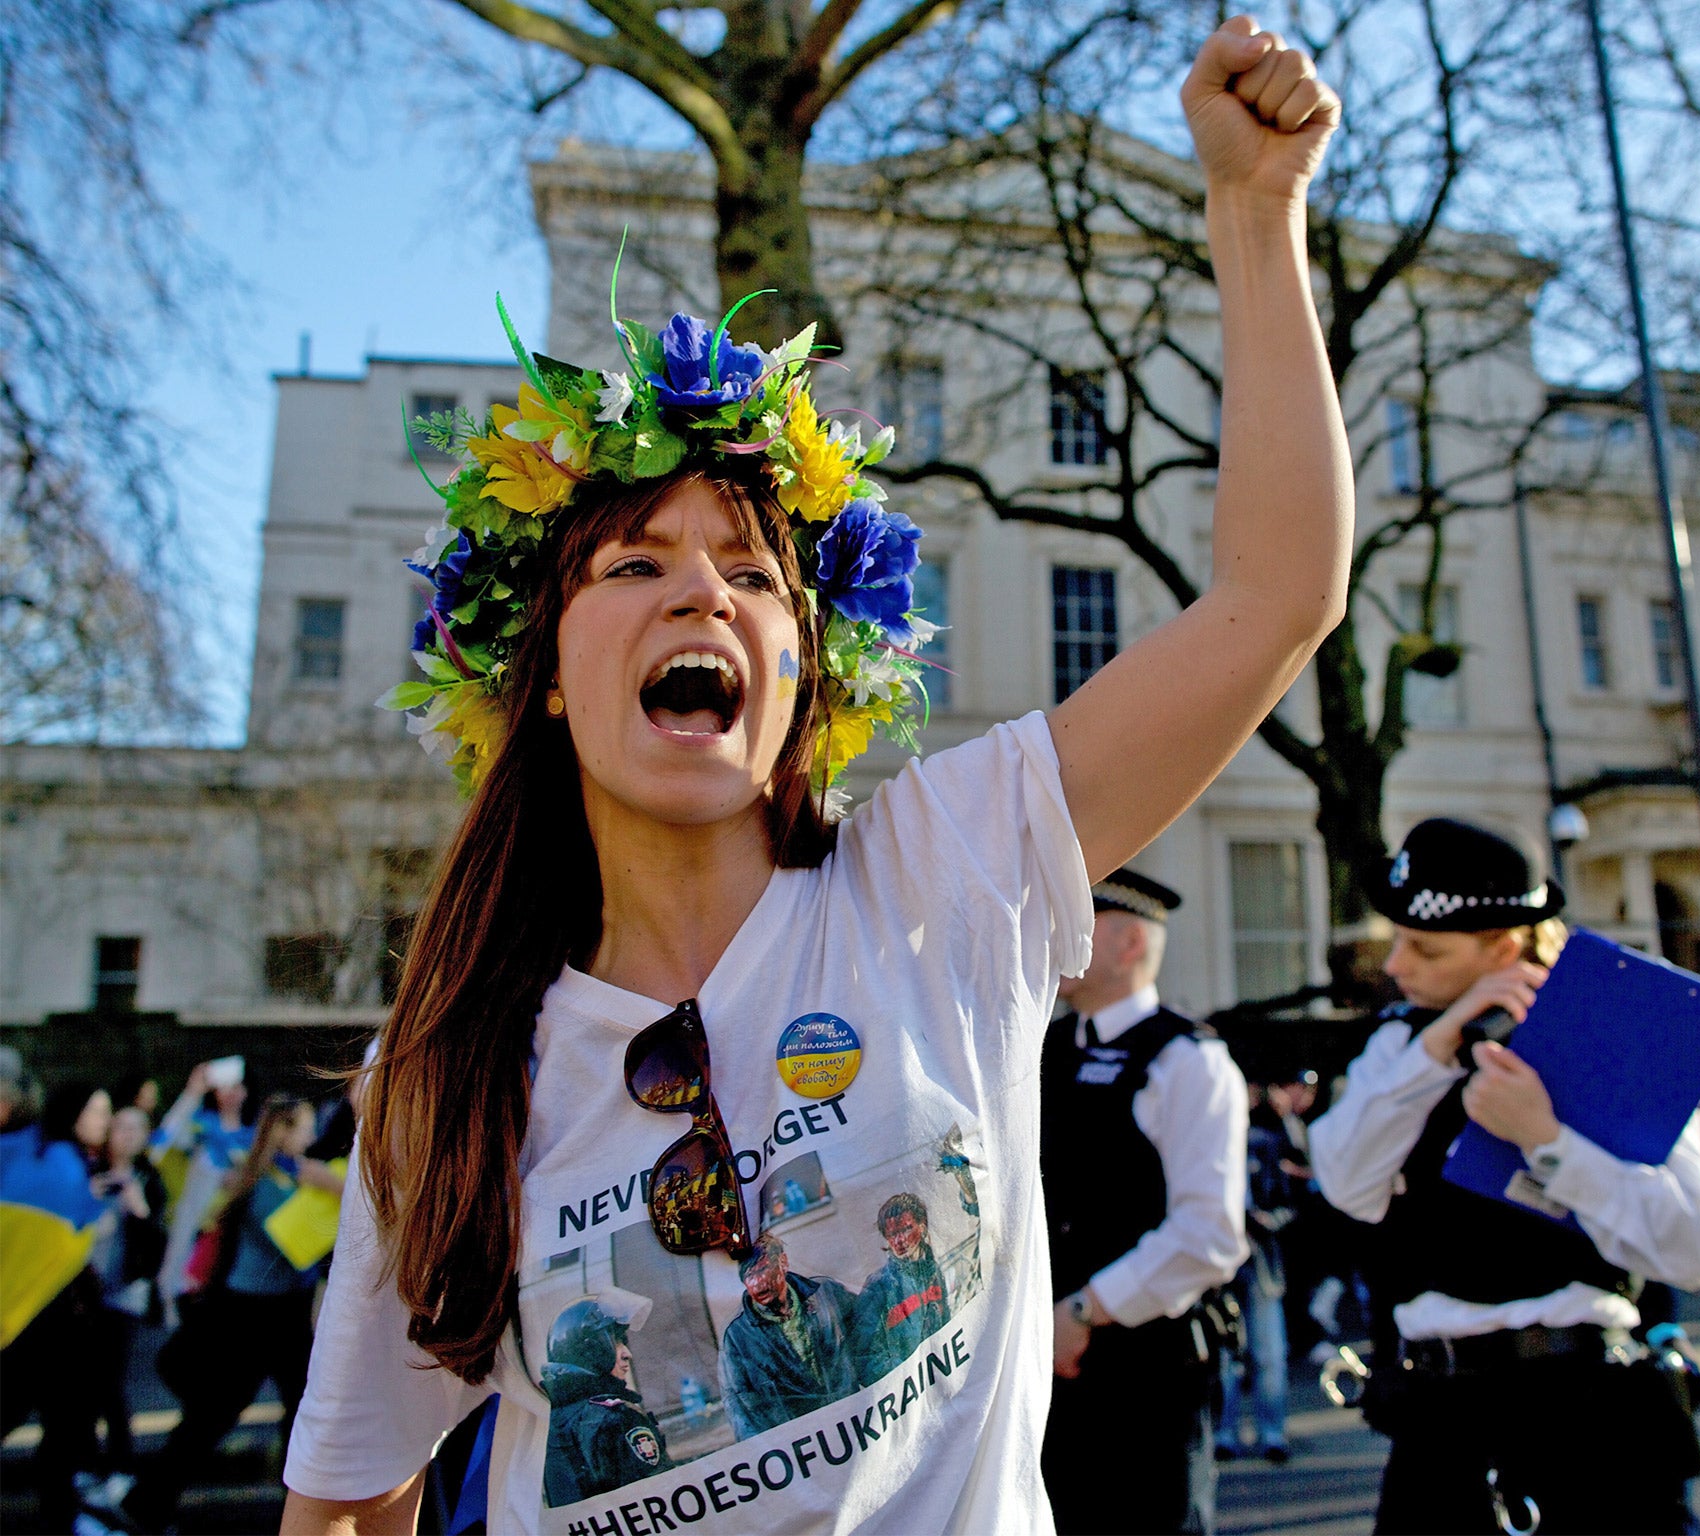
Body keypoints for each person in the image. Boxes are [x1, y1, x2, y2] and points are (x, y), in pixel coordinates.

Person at [278, 22, 1346, 1535]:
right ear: (540, 677)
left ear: (806, 673)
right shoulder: (447, 1072)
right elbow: (345, 1500)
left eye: (753, 574)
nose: (702, 595)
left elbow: (1275, 595)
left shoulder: (947, 875)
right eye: (636, 561)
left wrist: (1252, 210)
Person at [1306, 818, 1700, 1535]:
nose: (1398, 966)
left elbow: (1695, 1250)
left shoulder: (1612, 1041)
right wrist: (1436, 1050)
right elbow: (1349, 1185)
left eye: (1426, 949)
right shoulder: (1397, 1047)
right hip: (1439, 1423)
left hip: (1591, 1417)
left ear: (1504, 947)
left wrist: (1547, 1139)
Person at [1041, 868, 1250, 1535]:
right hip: (1042, 1358)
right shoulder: (1038, 1051)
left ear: (1130, 942)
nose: (1052, 936)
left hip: (1145, 1364)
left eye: (1076, 919)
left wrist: (1081, 1312)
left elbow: (1209, 1233)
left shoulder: (1187, 1060)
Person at [124, 1093, 340, 1531]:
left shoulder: (287, 1176)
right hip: (251, 1314)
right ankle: (144, 1505)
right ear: (281, 1132)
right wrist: (335, 1191)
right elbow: (299, 1243)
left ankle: (297, 1515)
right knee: (216, 1413)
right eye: (303, 1127)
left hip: (283, 1311)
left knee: (298, 1412)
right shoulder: (262, 1183)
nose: (312, 1135)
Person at [0, 1082, 113, 1534]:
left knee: (61, 1425)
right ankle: (61, 1516)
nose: (104, 1121)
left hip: (48, 1321)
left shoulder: (50, 1157)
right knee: (57, 1424)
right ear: (73, 1114)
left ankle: (62, 1513)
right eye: (97, 1111)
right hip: (47, 1323)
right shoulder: (61, 1165)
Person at [83, 1105, 169, 1504]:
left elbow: (156, 1246)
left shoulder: (150, 1180)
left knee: (110, 1380)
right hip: (84, 1292)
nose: (128, 1135)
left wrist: (139, 1208)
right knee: (82, 1382)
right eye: (121, 1126)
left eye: (137, 1128)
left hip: (125, 1294)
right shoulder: (87, 1171)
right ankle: (86, 1463)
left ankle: (120, 1465)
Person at [1219, 1080, 1302, 1462]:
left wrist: (1265, 1220)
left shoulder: (1267, 1142)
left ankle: (1272, 1431)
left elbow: (1292, 1199)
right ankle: (1225, 1432)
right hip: (1220, 1266)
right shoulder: (1209, 1145)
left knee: (1268, 1351)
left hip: (1262, 1263)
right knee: (1225, 1355)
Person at [717, 1234, 862, 1439]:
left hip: (854, 1422)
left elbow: (869, 1338)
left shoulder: (826, 1294)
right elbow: (739, 1408)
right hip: (801, 1446)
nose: (758, 1284)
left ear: (783, 1262)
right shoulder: (737, 1337)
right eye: (749, 1276)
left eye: (762, 1270)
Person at [543, 1299, 676, 1505]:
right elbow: (662, 1497)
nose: (627, 1354)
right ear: (592, 1350)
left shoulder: (548, 1421)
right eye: (616, 1342)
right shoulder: (616, 1416)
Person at [151, 1060, 253, 1309]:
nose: (231, 1092)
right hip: (190, 1231)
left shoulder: (253, 1137)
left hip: (230, 1238)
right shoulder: (199, 1126)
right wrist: (193, 1092)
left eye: (237, 1085)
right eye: (224, 1086)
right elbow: (160, 1146)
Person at [855, 1192, 952, 1384]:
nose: (900, 1241)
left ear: (921, 1226)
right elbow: (865, 1361)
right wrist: (912, 1374)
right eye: (892, 1234)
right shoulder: (879, 1286)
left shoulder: (933, 1271)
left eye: (906, 1230)